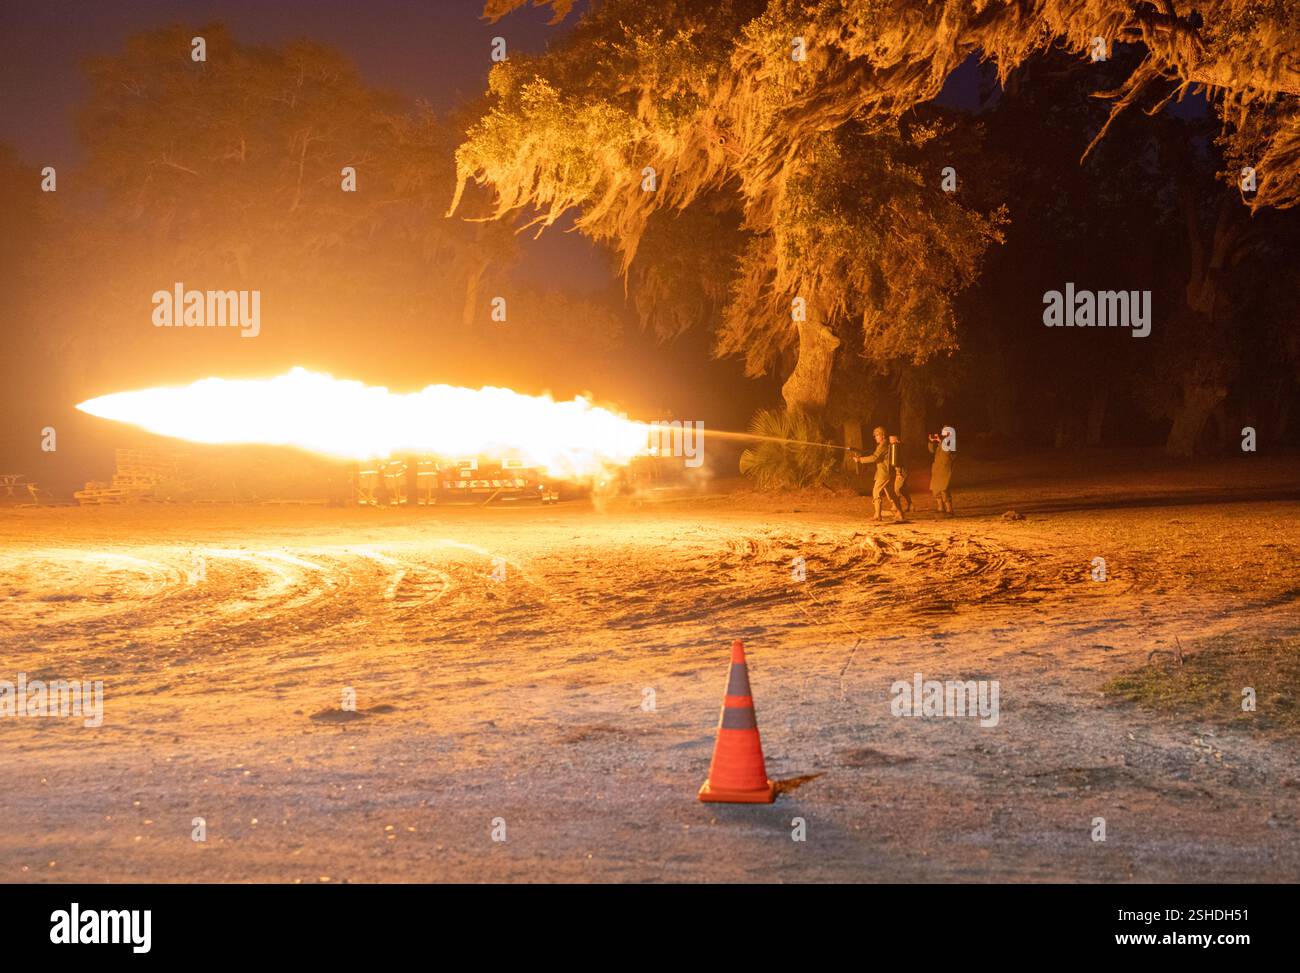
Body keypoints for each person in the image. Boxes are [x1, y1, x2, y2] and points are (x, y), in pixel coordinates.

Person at [852, 426, 907, 523]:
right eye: (875, 436)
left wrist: (860, 460)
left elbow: (875, 457)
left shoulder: (883, 445)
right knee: (891, 494)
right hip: (886, 472)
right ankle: (900, 513)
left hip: (884, 473)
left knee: (876, 492)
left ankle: (878, 515)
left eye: (877, 435)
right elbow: (877, 455)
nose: (875, 437)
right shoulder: (884, 445)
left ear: (883, 436)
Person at [927, 430, 954, 517]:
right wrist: (931, 442)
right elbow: (932, 451)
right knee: (935, 489)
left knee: (944, 489)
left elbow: (948, 451)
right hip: (937, 469)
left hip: (945, 469)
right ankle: (940, 508)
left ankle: (949, 510)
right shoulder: (941, 442)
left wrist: (940, 441)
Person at [889, 434, 913, 514]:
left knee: (896, 489)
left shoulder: (897, 448)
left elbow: (899, 461)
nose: (890, 441)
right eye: (889, 439)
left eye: (891, 439)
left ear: (896, 439)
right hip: (903, 470)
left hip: (901, 471)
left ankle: (896, 506)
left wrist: (899, 473)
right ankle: (911, 505)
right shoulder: (901, 447)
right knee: (902, 489)